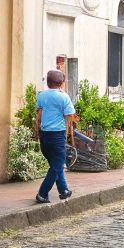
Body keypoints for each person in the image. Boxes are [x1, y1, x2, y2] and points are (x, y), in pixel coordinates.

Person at [32, 69, 77, 204]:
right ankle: (42, 194)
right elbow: (70, 116)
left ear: (47, 82)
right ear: (62, 83)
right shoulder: (63, 97)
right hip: (57, 135)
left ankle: (64, 190)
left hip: (44, 135)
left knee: (55, 164)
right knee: (57, 166)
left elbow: (39, 116)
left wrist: (38, 132)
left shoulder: (41, 96)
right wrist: (69, 134)